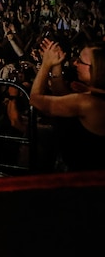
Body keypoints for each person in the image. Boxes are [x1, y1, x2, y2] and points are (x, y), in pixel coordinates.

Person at [29, 40, 105, 171]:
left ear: (97, 69)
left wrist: (45, 65)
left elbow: (35, 100)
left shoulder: (89, 103)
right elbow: (61, 95)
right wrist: (56, 65)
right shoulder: (95, 95)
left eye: (80, 61)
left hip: (80, 176)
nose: (75, 63)